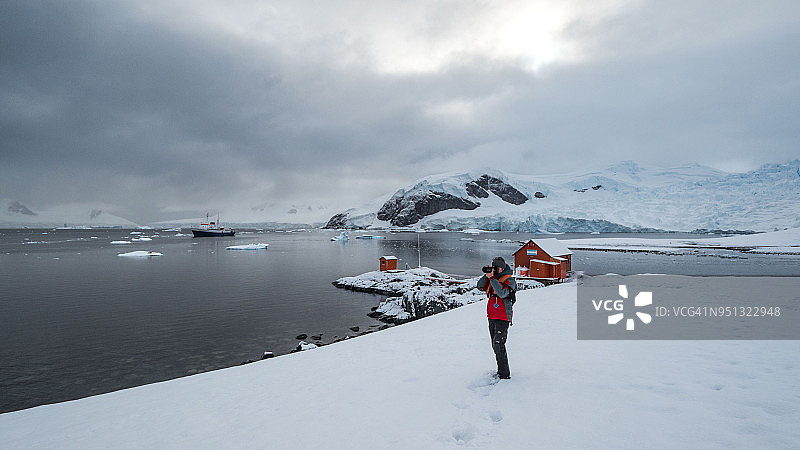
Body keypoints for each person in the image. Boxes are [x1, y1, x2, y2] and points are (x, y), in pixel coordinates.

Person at [477, 256, 516, 380]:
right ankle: (501, 371)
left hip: (503, 316)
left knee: (499, 344)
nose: (495, 269)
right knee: (495, 345)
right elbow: (479, 286)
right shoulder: (493, 278)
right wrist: (487, 275)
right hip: (492, 316)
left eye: (496, 268)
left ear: (502, 268)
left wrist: (492, 278)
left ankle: (505, 375)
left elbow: (502, 293)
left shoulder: (509, 280)